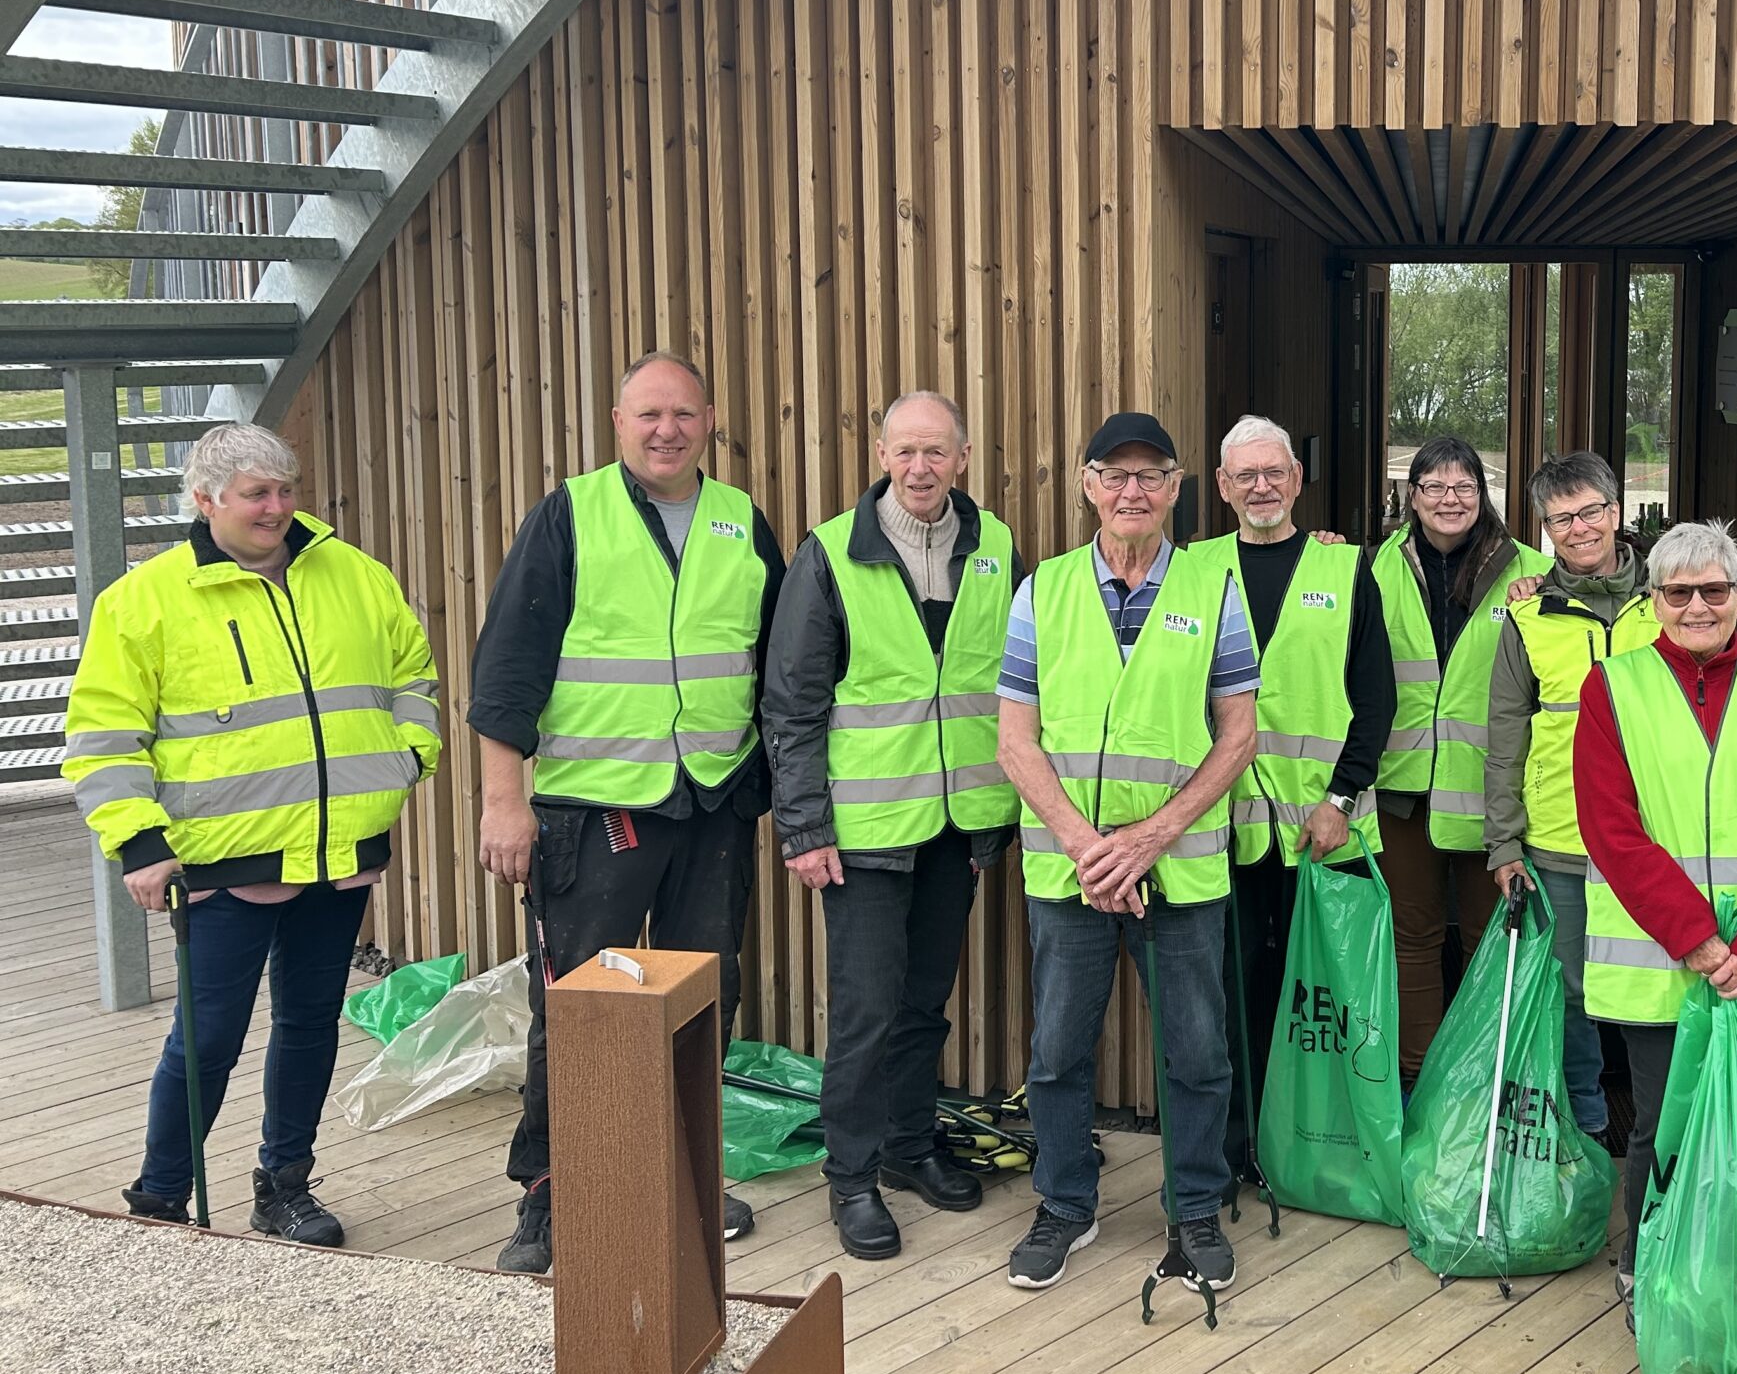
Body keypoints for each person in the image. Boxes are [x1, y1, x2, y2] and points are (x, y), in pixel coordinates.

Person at [66, 422, 441, 1246]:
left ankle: (285, 1187)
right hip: (217, 862)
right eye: (255, 494)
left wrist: (408, 755)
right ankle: (161, 1197)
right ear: (206, 501)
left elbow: (413, 672)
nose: (277, 508)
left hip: (338, 851)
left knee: (309, 1023)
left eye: (285, 489)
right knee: (207, 1038)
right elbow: (103, 737)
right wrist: (138, 844)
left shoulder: (356, 575)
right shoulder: (142, 601)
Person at [471, 351, 786, 1274]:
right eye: (649, 414)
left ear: (710, 421)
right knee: (581, 1006)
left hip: (712, 798)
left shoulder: (740, 521)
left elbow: (775, 661)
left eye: (683, 414)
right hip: (593, 806)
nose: (667, 431)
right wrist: (504, 802)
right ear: (617, 422)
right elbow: (506, 669)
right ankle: (552, 1191)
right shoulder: (571, 514)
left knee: (702, 998)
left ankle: (680, 1177)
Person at [995, 412, 1260, 1295]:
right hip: (1070, 870)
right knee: (1058, 1053)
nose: (1132, 491)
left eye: (1151, 475)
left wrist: (1146, 840)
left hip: (1178, 869)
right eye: (1115, 474)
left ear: (1177, 488)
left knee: (1198, 1054)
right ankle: (1066, 1205)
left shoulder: (1216, 591)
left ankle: (1195, 1209)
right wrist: (1089, 847)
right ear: (1088, 485)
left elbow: (1238, 737)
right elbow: (1015, 740)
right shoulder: (1042, 590)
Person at [763, 390, 1025, 1262]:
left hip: (959, 825)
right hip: (864, 834)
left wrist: (996, 825)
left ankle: (910, 1146)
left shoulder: (996, 549)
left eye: (937, 451)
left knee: (923, 1004)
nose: (921, 467)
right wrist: (804, 828)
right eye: (905, 451)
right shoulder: (830, 554)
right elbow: (792, 705)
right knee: (866, 1012)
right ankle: (851, 1178)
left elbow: (1016, 685)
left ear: (963, 457)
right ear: (881, 455)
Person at [1577, 520, 1737, 1300]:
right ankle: (1649, 1265)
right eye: (1679, 592)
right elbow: (1610, 827)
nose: (1697, 606)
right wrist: (1697, 939)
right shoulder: (1611, 687)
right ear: (1654, 601)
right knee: (1665, 1124)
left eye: (1714, 590)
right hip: (1662, 961)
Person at [1191, 415, 1393, 1201]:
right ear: (1222, 486)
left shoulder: (1346, 568)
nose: (1261, 487)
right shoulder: (1193, 569)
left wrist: (1342, 796)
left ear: (1297, 480)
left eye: (1274, 472)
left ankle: (1309, 1148)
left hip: (1322, 832)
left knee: (1315, 1002)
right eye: (1245, 475)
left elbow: (1376, 699)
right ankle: (1232, 1150)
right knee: (1229, 997)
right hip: (1223, 833)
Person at [1485, 451, 1658, 1142]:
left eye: (1590, 512)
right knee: (1568, 993)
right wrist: (1504, 840)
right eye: (1562, 520)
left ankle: (1660, 1129)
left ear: (1616, 512)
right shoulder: (1528, 615)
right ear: (1545, 530)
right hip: (1560, 838)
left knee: (1660, 984)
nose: (1579, 529)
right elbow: (1505, 734)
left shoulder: (1672, 598)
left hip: (1660, 838)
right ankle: (1583, 1125)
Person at [1372, 437, 1550, 1081]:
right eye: (1435, 487)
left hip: (1492, 794)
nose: (1450, 499)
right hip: (1402, 789)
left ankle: (1481, 1088)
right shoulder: (1376, 565)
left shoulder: (1533, 571)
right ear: (1412, 495)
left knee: (1489, 946)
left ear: (1483, 494)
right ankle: (1417, 1085)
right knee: (1411, 942)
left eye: (1465, 487)